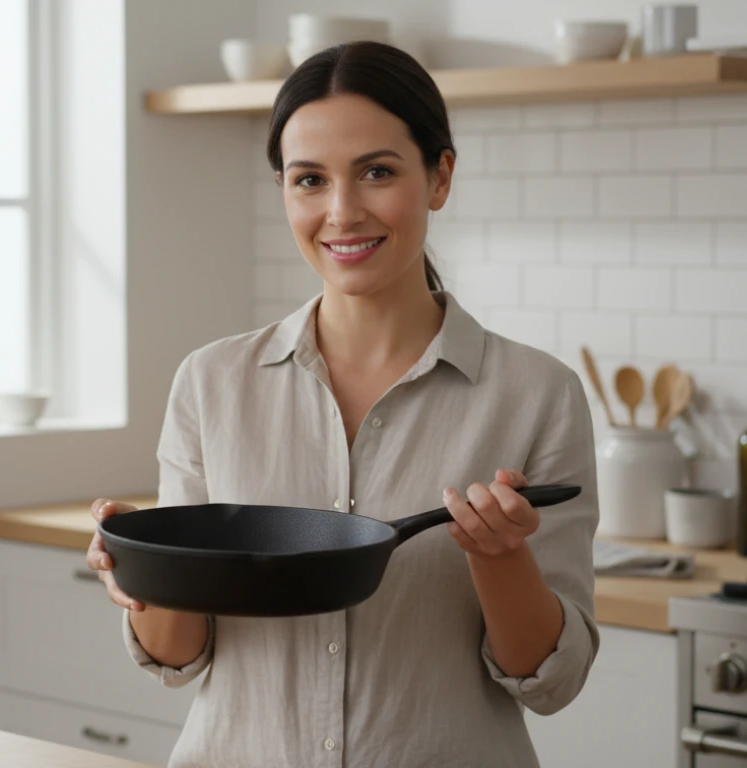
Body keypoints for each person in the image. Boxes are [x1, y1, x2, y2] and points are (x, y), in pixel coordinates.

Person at [86, 41, 599, 767]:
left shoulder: (535, 394)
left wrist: (501, 558)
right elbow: (179, 657)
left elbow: (550, 679)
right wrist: (149, 563)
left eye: (377, 172)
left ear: (439, 176)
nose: (341, 212)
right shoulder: (211, 382)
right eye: (308, 180)